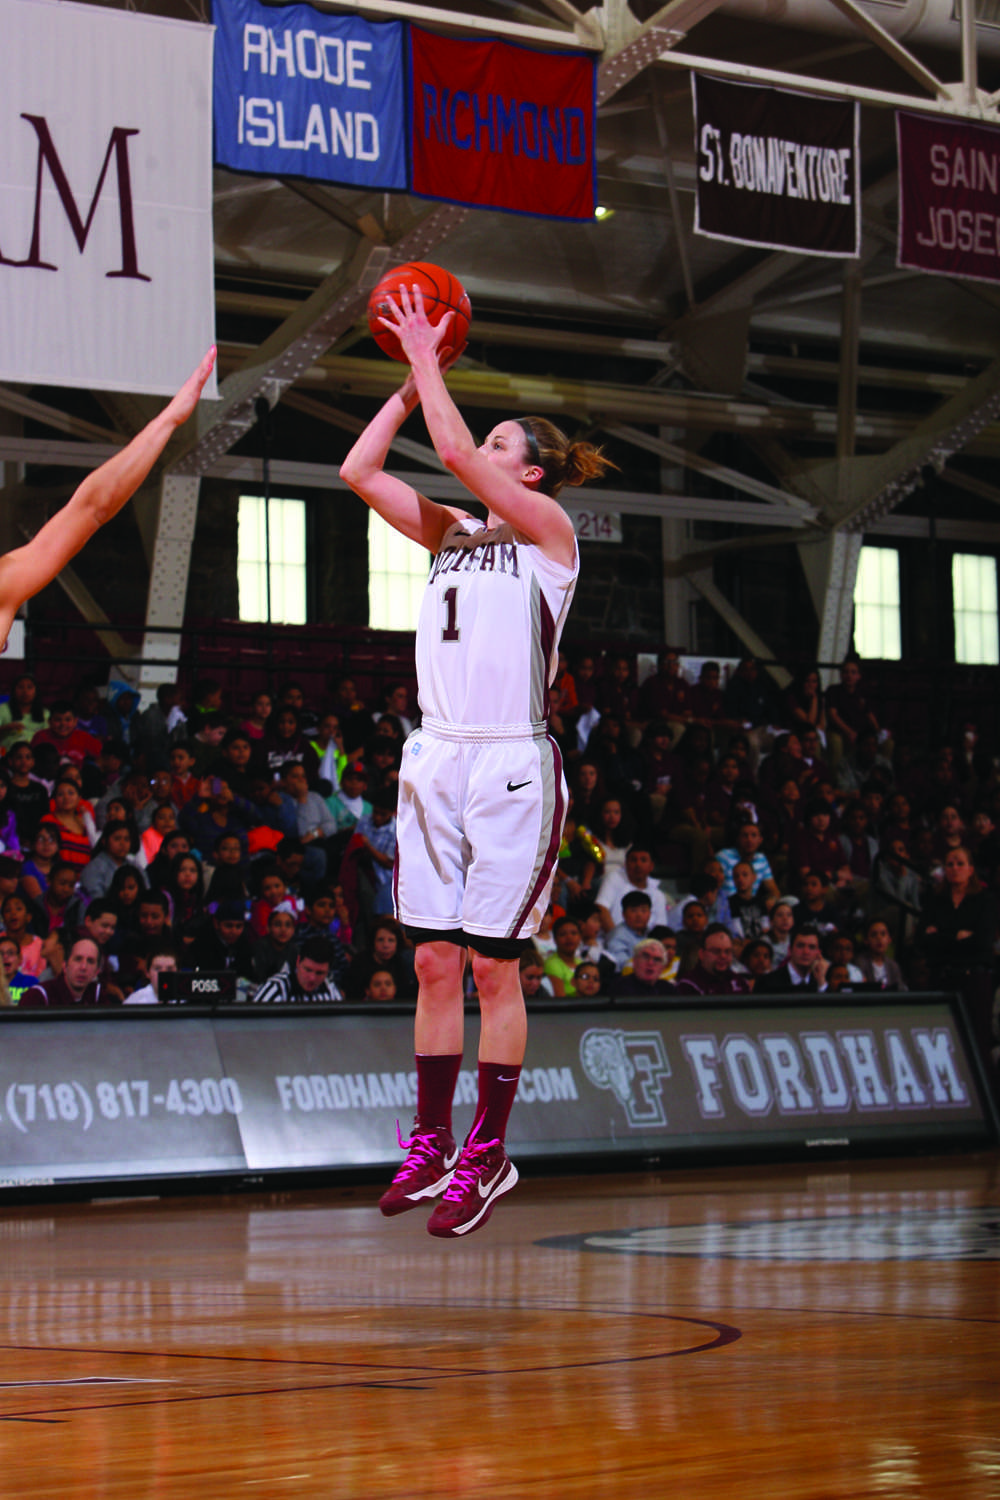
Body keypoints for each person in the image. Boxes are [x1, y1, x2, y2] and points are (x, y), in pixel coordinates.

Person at [340, 280, 613, 1238]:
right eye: (486, 441)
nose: (478, 454)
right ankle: (428, 1142)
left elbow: (454, 453)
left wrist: (427, 353)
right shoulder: (452, 534)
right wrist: (413, 388)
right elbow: (360, 471)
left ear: (531, 477)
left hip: (508, 763)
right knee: (431, 965)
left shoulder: (550, 540)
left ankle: (488, 1156)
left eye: (503, 446)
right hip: (434, 756)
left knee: (496, 971)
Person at [20, 936, 118, 1008]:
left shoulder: (98, 995)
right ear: (64, 965)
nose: (83, 967)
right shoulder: (38, 996)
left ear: (97, 971)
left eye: (90, 961)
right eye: (78, 959)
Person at [250, 936, 344, 1004]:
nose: (312, 978)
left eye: (320, 973)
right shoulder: (276, 988)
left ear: (328, 971)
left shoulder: (330, 990)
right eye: (307, 970)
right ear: (298, 961)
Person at [673, 923, 752, 996]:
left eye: (727, 951)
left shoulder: (740, 982)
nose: (723, 956)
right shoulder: (687, 986)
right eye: (716, 951)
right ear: (701, 954)